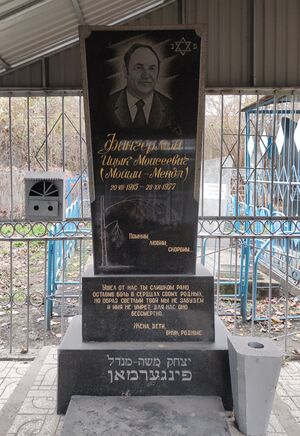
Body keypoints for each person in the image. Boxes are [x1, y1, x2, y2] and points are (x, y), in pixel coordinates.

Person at [107, 43, 179, 135]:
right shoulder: (108, 105)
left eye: (152, 68)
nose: (146, 75)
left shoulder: (171, 108)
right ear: (125, 71)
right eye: (139, 68)